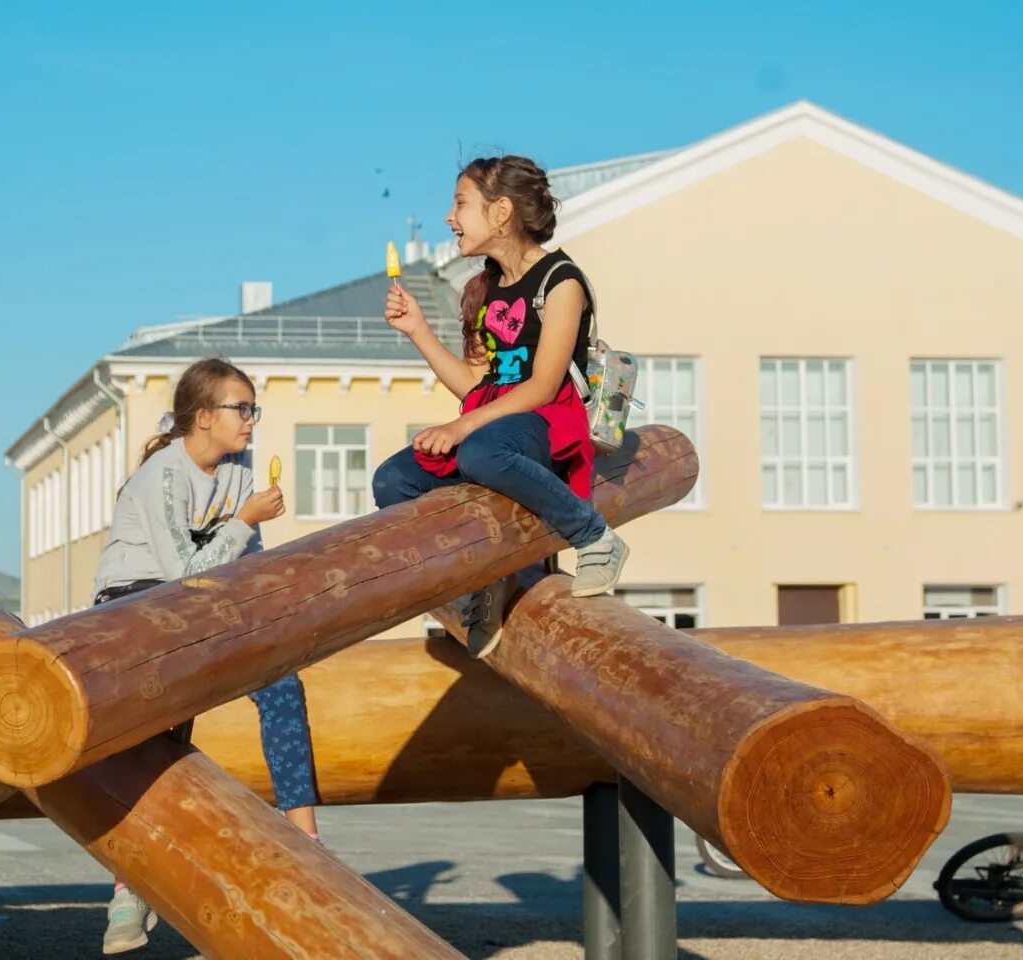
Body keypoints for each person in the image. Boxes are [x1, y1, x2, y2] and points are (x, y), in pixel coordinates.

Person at [90, 357, 319, 954]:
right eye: (240, 409)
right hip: (136, 603)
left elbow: (242, 565)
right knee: (159, 737)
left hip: (204, 605)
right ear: (201, 417)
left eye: (253, 409)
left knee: (281, 683)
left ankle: (307, 840)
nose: (250, 421)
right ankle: (128, 886)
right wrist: (243, 522)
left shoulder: (239, 473)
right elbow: (179, 575)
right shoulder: (162, 476)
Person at [374, 155, 629, 648]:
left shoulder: (561, 281)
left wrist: (461, 429)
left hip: (542, 421)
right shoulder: (486, 288)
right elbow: (475, 385)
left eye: (460, 203)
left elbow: (542, 384)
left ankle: (593, 535)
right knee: (394, 480)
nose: (450, 217)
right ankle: (484, 575)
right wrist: (418, 331)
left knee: (480, 451)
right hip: (492, 424)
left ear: (502, 212)